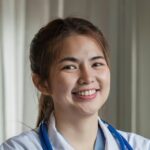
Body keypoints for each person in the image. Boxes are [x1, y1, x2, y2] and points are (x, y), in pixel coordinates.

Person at [0, 17, 150, 150]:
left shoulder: (140, 146)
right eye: (70, 67)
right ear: (42, 83)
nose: (87, 77)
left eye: (96, 64)